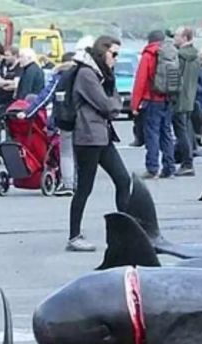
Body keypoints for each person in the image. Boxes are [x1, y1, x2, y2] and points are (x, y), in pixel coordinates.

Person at [67, 35, 130, 252]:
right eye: (114, 54)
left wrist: (114, 102)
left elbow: (111, 104)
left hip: (101, 136)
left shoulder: (101, 74)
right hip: (88, 138)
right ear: (103, 52)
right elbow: (108, 105)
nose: (116, 58)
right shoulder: (86, 74)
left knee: (123, 179)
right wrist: (115, 103)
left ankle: (126, 231)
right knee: (84, 187)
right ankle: (74, 236)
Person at [18, 51, 77, 196]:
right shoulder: (84, 75)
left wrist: (27, 112)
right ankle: (80, 183)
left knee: (66, 153)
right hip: (86, 121)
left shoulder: (60, 77)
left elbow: (44, 97)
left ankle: (68, 183)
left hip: (65, 120)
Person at [131, 30, 175, 179]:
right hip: (168, 99)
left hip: (152, 100)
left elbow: (140, 81)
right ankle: (169, 167)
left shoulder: (148, 55)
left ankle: (152, 168)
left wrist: (134, 105)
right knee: (167, 133)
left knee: (152, 134)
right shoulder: (170, 54)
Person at [171, 26, 200, 177]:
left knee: (181, 132)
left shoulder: (180, 56)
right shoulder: (196, 56)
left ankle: (187, 163)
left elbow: (175, 79)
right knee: (186, 131)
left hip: (179, 100)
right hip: (189, 99)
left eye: (177, 36)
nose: (174, 38)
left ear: (184, 38)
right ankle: (187, 161)